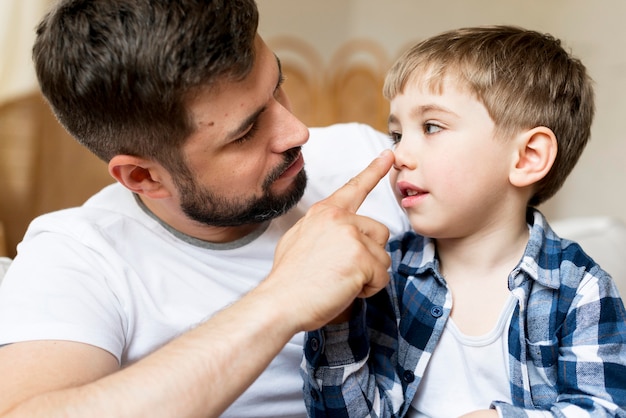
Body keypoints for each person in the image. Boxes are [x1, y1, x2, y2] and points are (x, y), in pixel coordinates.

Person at [0, 1, 410, 417]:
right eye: (246, 132)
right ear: (143, 177)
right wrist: (282, 299)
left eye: (278, 85)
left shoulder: (361, 156)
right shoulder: (79, 258)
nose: (298, 132)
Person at [302, 25, 626, 417]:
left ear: (527, 158)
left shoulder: (580, 290)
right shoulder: (387, 273)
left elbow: (604, 408)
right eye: (396, 135)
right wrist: (339, 317)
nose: (399, 155)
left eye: (431, 127)